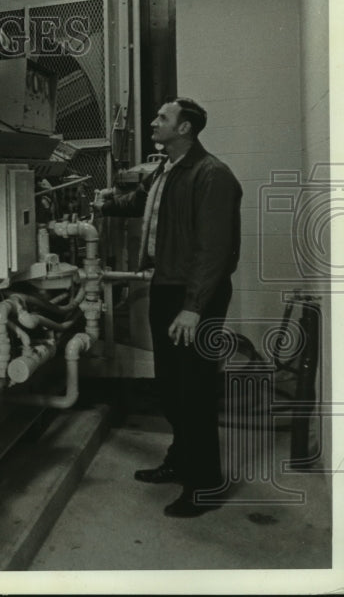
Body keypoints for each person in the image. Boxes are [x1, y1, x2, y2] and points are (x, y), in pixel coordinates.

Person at [94, 97, 242, 517]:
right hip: (167, 287)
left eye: (163, 118)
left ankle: (205, 484)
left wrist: (194, 307)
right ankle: (180, 461)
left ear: (185, 129)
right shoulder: (167, 169)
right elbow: (142, 201)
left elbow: (215, 250)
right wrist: (104, 205)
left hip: (195, 296)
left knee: (193, 391)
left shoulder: (212, 175)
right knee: (172, 388)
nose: (154, 122)